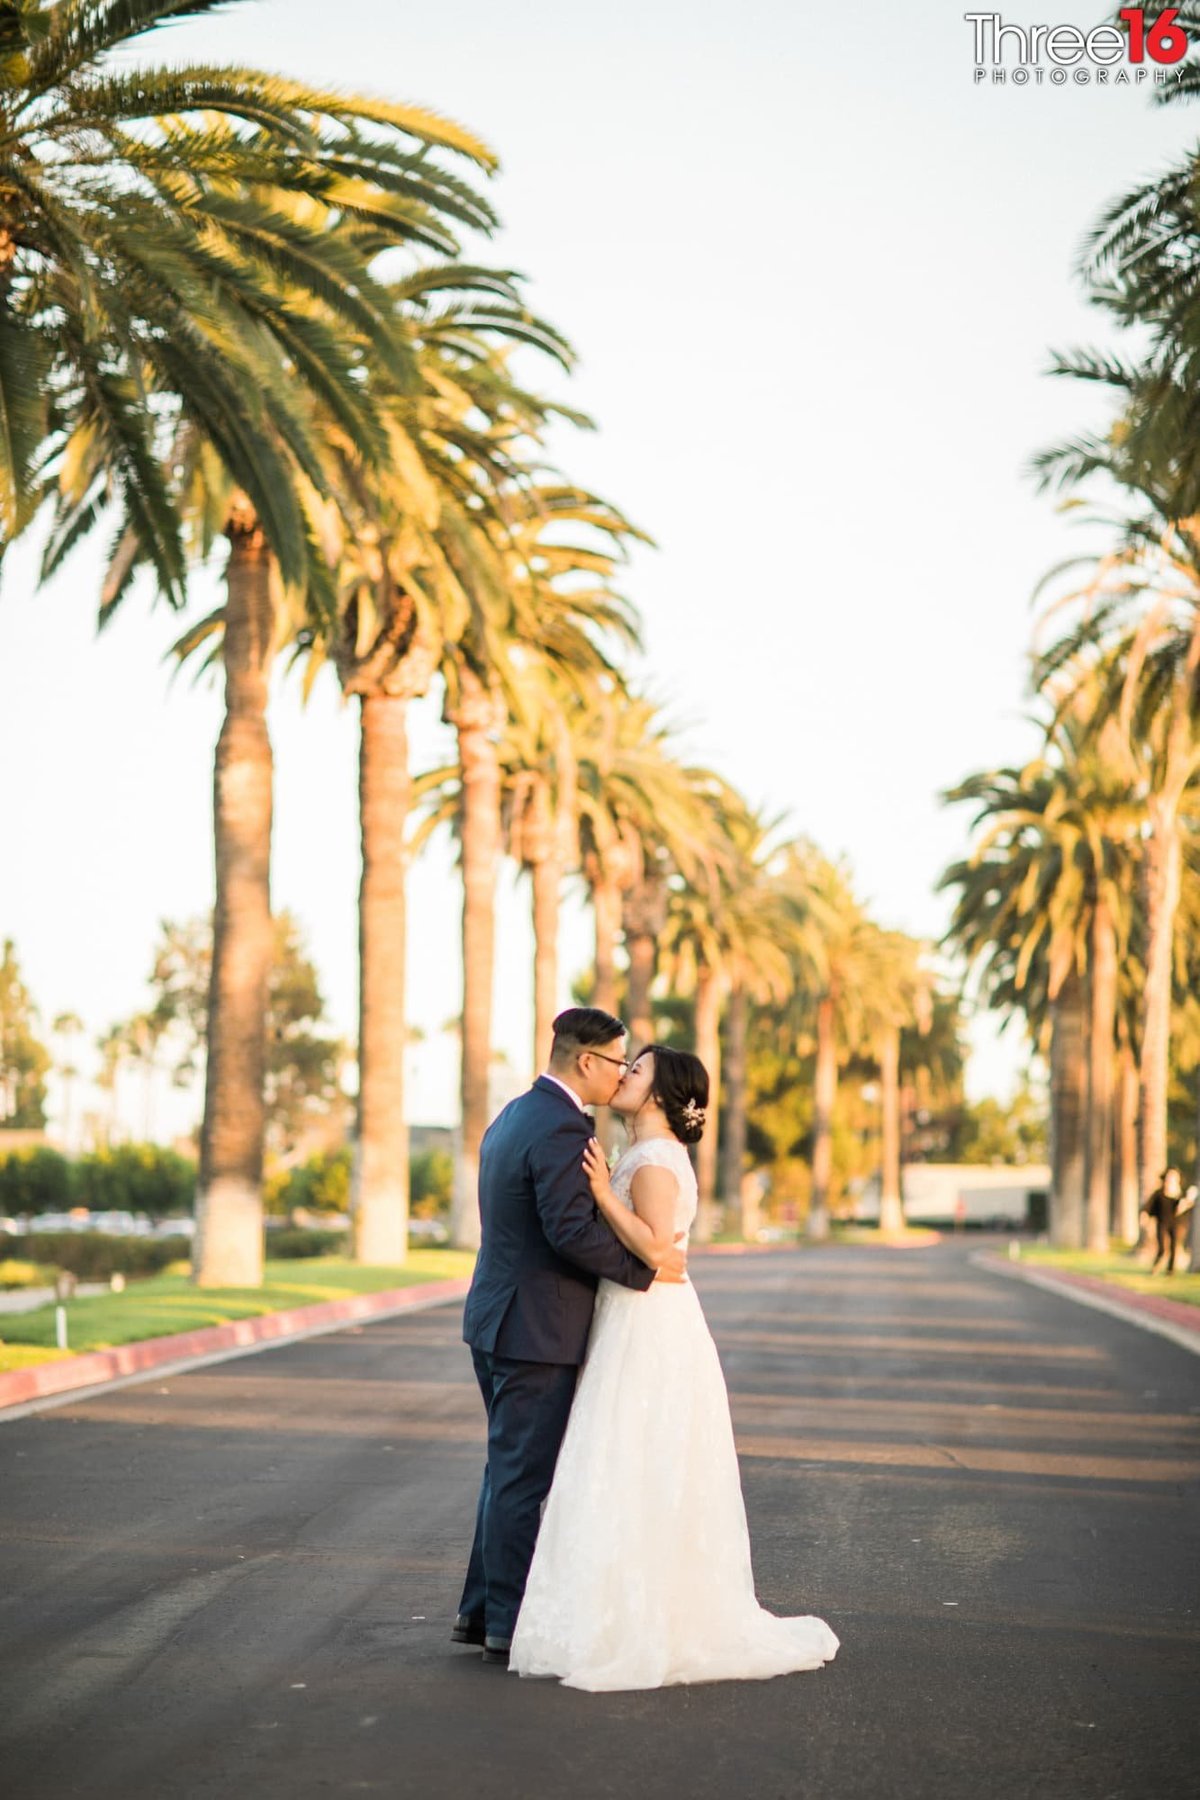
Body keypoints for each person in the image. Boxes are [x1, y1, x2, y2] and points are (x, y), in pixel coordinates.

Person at [510, 1043, 839, 1691]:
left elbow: (658, 1250)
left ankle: (643, 1622)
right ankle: (610, 1609)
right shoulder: (644, 1152)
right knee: (623, 1462)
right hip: (633, 1315)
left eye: (636, 1071)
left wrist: (603, 1193)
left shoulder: (656, 1160)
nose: (624, 1075)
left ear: (659, 1095)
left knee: (631, 1457)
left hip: (649, 1324)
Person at [455, 1008, 688, 1667]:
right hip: (537, 1329)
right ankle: (508, 1623)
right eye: (618, 1062)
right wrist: (645, 1268)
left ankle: (479, 1613)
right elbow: (568, 1231)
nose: (621, 1075)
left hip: (498, 1319)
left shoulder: (513, 1115)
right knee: (524, 1479)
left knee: (505, 1473)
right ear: (587, 1061)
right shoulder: (559, 1126)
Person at [1143, 1167, 1185, 1274]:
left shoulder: (1179, 1195)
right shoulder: (1159, 1193)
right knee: (1161, 1247)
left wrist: (1184, 1205)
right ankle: (1155, 1266)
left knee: (1174, 1247)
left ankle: (1170, 1270)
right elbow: (1149, 1206)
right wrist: (1145, 1215)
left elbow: (1182, 1211)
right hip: (1162, 1223)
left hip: (1174, 1223)